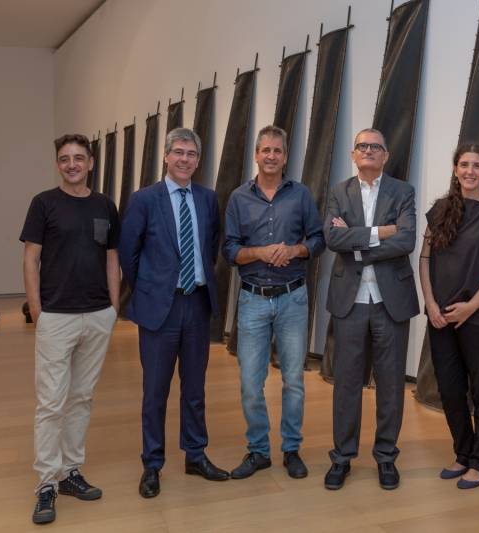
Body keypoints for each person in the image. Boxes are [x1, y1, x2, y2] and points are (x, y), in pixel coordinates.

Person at [119, 128, 228, 499]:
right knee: (155, 391)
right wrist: (152, 288)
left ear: (198, 160)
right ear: (166, 157)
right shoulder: (143, 200)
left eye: (191, 154)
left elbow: (210, 246)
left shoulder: (208, 199)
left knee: (195, 388)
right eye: (178, 152)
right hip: (159, 309)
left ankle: (195, 454)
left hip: (196, 303)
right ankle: (152, 463)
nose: (184, 159)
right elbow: (128, 255)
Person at [21, 133, 120, 524]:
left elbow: (112, 257)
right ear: (58, 164)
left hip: (98, 315)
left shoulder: (105, 205)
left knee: (81, 398)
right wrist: (37, 311)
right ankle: (46, 482)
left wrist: (114, 307)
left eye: (79, 158)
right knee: (51, 402)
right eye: (65, 159)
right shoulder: (43, 204)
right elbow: (31, 260)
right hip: (56, 317)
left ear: (91, 162)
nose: (73, 164)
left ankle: (70, 473)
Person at [223, 125, 325, 480]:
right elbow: (230, 250)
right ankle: (258, 451)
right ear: (256, 154)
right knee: (251, 382)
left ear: (285, 156)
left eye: (277, 151)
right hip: (253, 301)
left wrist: (295, 250)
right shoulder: (238, 198)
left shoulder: (300, 195)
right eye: (264, 150)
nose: (270, 156)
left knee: (294, 381)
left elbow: (317, 239)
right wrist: (259, 253)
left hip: (293, 299)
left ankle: (291, 449)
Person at [323, 128, 420, 490]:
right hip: (349, 301)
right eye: (362, 146)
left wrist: (358, 241)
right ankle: (342, 458)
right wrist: (382, 232)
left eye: (375, 147)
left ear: (385, 155)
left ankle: (385, 458)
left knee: (391, 384)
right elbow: (333, 239)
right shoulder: (338, 192)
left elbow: (407, 240)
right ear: (353, 154)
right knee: (346, 383)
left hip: (390, 301)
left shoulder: (403, 191)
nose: (368, 151)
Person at [418, 144, 479, 489]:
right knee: (451, 390)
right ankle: (463, 453)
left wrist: (471, 307)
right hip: (441, 317)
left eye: (476, 165)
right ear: (455, 169)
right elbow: (425, 259)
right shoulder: (440, 209)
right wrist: (429, 303)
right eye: (463, 164)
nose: (469, 170)